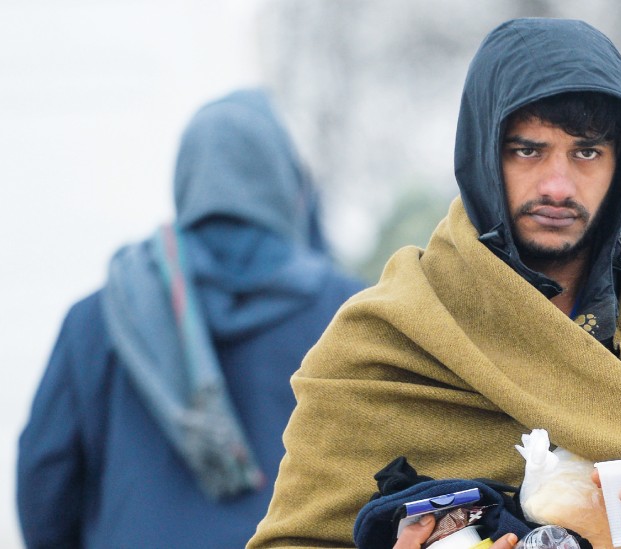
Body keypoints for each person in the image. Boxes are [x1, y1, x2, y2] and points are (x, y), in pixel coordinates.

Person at [247, 18, 621, 549]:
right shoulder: (379, 341)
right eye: (527, 150)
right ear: (484, 155)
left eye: (587, 152)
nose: (558, 184)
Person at [16, 89, 364, 549]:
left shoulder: (98, 318)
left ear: (185, 180)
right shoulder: (352, 311)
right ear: (286, 183)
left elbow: (45, 478)